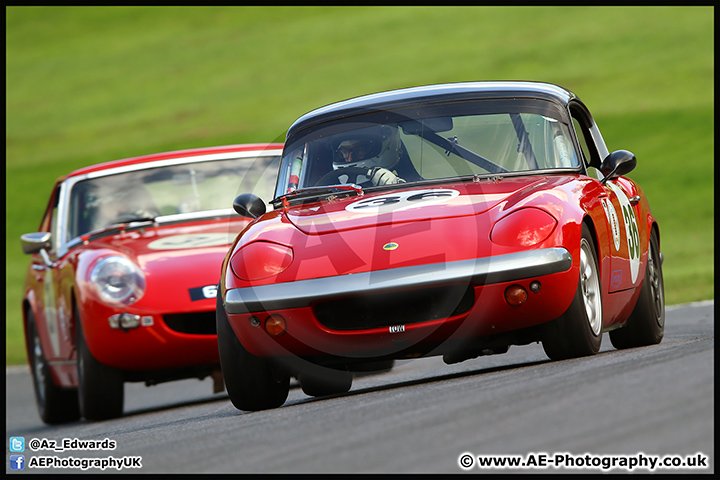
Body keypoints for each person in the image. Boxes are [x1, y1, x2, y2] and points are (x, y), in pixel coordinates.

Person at [332, 125, 412, 186]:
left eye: (359, 150)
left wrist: (396, 186)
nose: (350, 159)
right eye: (344, 152)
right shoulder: (329, 193)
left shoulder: (406, 185)